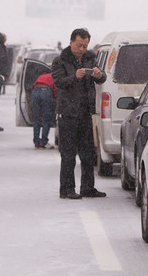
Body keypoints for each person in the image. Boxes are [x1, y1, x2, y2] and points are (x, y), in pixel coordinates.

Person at [52, 28, 107, 199]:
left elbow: (103, 78)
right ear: (71, 42)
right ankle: (67, 189)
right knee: (68, 154)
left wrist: (99, 75)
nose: (82, 49)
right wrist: (75, 77)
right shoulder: (61, 60)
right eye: (78, 45)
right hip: (68, 113)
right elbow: (59, 82)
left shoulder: (90, 58)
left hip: (85, 112)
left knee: (88, 153)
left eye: (84, 45)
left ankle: (87, 187)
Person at [31, 71, 57, 149]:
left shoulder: (41, 76)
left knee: (36, 118)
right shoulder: (54, 76)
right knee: (46, 119)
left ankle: (36, 141)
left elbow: (33, 86)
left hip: (35, 91)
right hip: (46, 91)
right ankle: (43, 142)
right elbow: (55, 89)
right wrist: (55, 98)